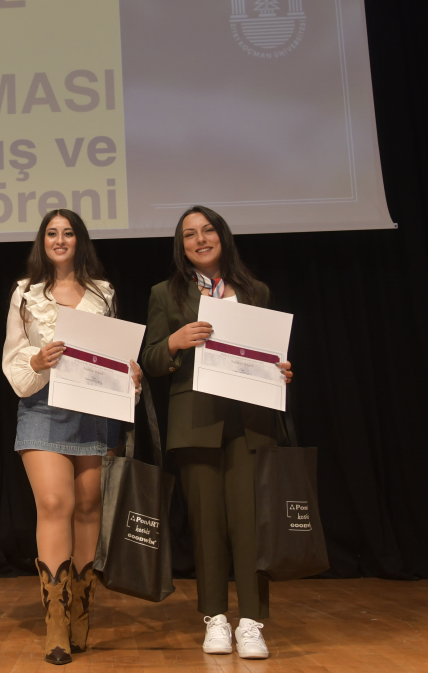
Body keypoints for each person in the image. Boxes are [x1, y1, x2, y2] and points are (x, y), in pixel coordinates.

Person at [140, 206, 293, 661]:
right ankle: (215, 619)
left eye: (207, 231)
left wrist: (281, 370)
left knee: (250, 526)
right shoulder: (166, 295)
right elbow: (149, 360)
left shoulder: (255, 291)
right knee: (208, 527)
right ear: (180, 244)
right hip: (195, 423)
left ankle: (250, 621)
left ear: (222, 237)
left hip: (250, 422)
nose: (199, 239)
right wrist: (174, 342)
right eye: (189, 234)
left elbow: (269, 354)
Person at [2, 210, 142, 665]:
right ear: (42, 242)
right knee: (55, 505)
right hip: (43, 409)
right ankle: (56, 620)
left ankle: (82, 609)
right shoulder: (25, 293)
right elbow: (13, 360)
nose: (60, 240)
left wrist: (131, 371)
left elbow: (118, 354)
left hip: (95, 412)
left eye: (68, 233)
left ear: (80, 241)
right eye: (51, 233)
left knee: (87, 508)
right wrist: (38, 362)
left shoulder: (105, 293)